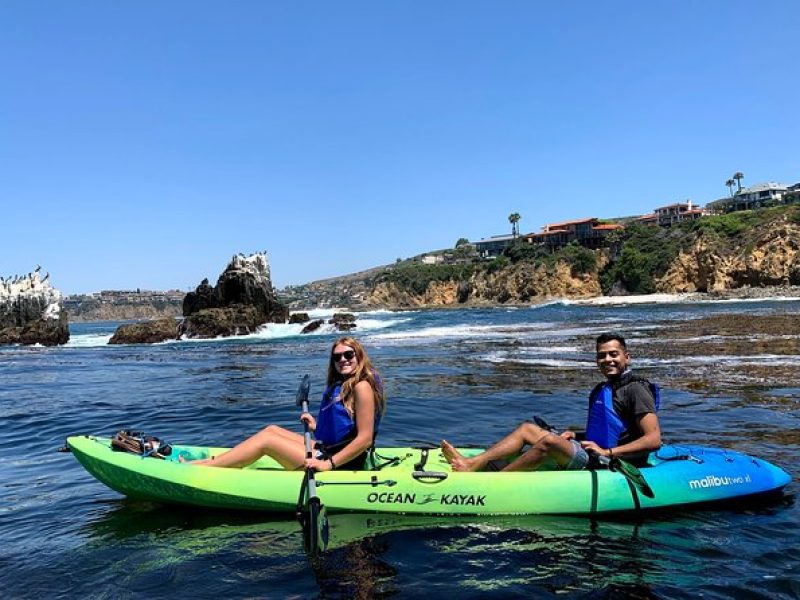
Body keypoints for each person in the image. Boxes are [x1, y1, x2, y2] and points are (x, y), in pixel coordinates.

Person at [441, 332, 661, 472]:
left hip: (613, 461)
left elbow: (653, 440)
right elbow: (610, 429)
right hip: (595, 451)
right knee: (528, 429)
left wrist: (608, 453)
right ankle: (473, 463)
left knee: (549, 442)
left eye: (613, 354)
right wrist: (575, 435)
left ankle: (496, 482)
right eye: (601, 356)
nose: (607, 360)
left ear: (626, 357)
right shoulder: (603, 388)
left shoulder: (635, 390)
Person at [186, 337, 385, 471]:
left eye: (348, 355)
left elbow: (365, 439)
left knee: (267, 442)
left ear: (359, 355)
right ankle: (213, 462)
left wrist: (328, 465)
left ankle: (206, 468)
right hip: (330, 449)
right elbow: (342, 429)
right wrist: (316, 426)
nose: (343, 360)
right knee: (271, 429)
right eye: (337, 357)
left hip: (343, 462)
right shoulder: (344, 384)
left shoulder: (362, 387)